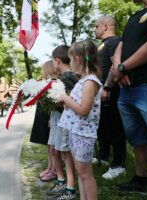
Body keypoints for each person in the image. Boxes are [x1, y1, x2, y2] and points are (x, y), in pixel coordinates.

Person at [105, 0, 147, 198]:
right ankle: (141, 181)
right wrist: (119, 70)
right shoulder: (135, 16)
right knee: (137, 137)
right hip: (128, 87)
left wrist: (123, 68)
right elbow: (120, 47)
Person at [58, 40, 102, 200]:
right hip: (76, 132)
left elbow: (84, 110)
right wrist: (66, 103)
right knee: (81, 173)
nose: (69, 63)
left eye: (70, 59)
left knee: (86, 175)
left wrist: (66, 98)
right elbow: (76, 106)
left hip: (84, 134)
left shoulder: (90, 82)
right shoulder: (83, 81)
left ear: (77, 59)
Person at [94, 15, 126, 179]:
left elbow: (116, 65)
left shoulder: (114, 42)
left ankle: (119, 165)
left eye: (96, 26)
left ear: (106, 26)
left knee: (114, 127)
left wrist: (108, 87)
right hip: (101, 93)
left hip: (112, 91)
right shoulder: (102, 45)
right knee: (103, 126)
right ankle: (104, 156)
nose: (94, 29)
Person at [46, 45, 78, 200]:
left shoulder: (69, 78)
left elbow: (71, 101)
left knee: (66, 153)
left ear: (57, 61)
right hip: (57, 117)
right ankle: (61, 181)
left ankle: (70, 188)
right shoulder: (63, 78)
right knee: (56, 150)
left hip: (66, 119)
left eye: (53, 61)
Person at [30, 60, 57, 183]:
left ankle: (54, 170)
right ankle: (50, 167)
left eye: (44, 70)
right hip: (45, 114)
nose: (42, 73)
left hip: (50, 115)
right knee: (49, 144)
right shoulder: (44, 82)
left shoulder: (55, 83)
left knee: (53, 146)